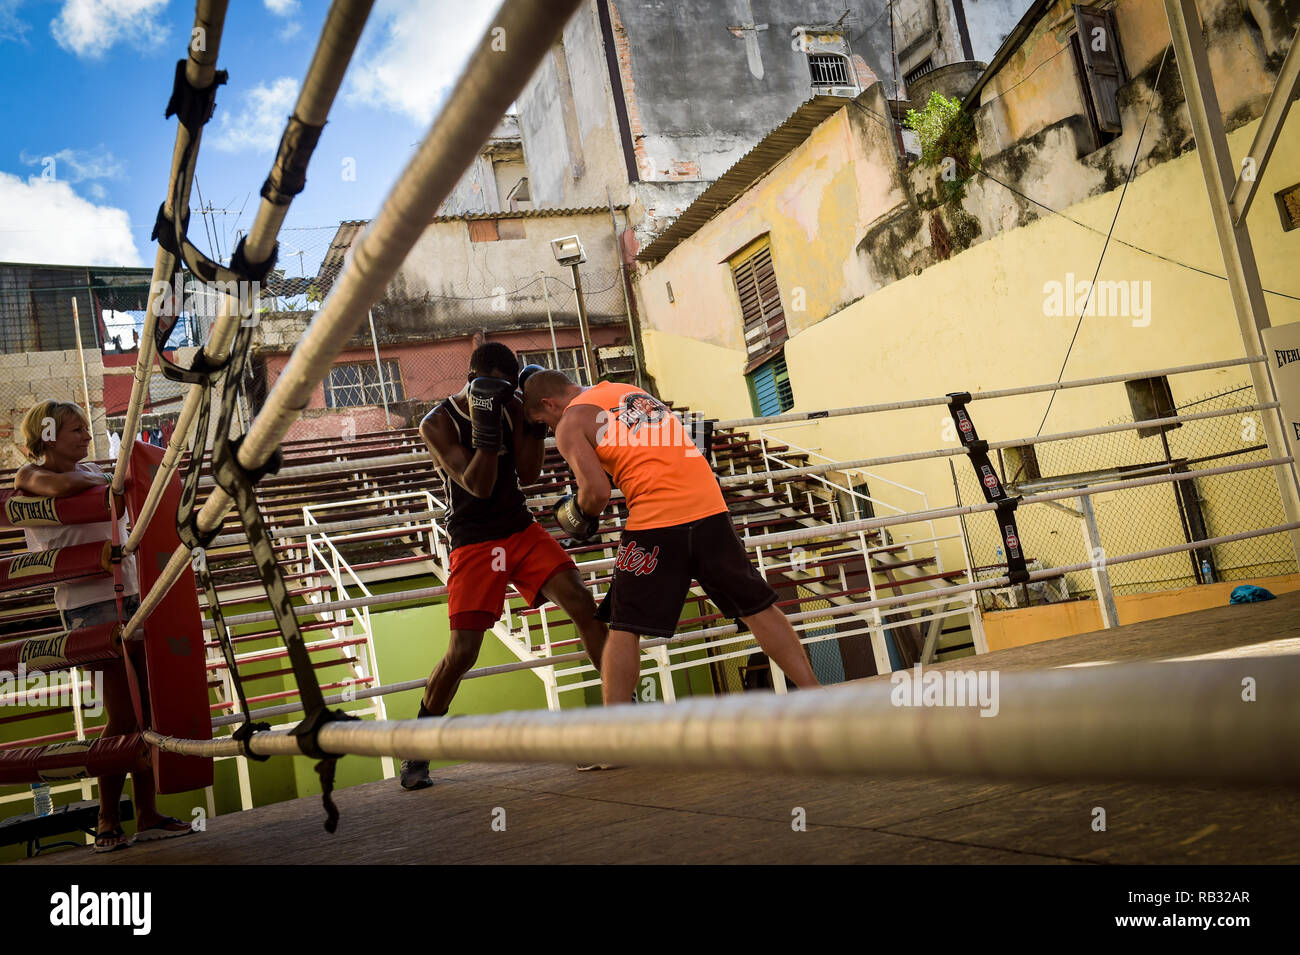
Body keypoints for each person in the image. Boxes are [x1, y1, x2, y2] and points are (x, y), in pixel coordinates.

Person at [523, 371, 820, 705]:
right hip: (709, 506)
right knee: (758, 609)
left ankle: (614, 735)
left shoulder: (569, 423)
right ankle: (815, 695)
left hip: (656, 519)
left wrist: (578, 514)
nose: (548, 428)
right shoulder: (631, 391)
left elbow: (597, 491)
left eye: (542, 420)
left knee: (624, 625)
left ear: (548, 403)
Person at [403, 344, 608, 790]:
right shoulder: (436, 422)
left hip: (518, 527)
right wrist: (485, 424)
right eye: (490, 390)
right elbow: (477, 484)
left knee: (583, 603)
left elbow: (530, 475)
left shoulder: (516, 404)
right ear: (472, 378)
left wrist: (523, 425)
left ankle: (626, 714)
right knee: (463, 653)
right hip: (474, 539)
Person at [15, 400, 193, 852]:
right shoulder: (31, 477)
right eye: (75, 429)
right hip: (88, 607)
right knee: (125, 713)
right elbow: (54, 485)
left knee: (146, 710)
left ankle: (144, 814)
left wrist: (105, 480)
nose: (86, 436)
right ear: (50, 433)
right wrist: (103, 483)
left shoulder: (93, 471)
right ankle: (109, 815)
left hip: (130, 594)